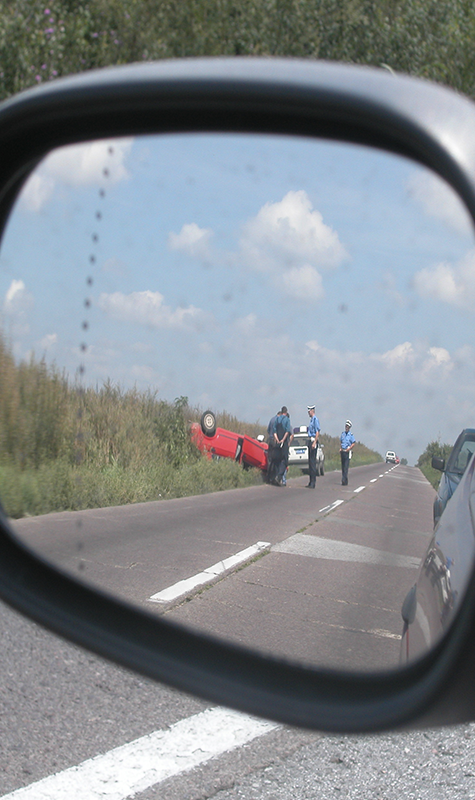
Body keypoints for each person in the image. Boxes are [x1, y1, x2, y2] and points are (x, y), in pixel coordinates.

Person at [272, 406, 292, 486]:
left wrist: (277, 439)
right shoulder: (287, 420)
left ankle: (276, 477)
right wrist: (283, 440)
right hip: (284, 443)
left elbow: (274, 431)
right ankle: (279, 476)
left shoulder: (277, 419)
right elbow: (287, 432)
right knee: (284, 460)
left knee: (278, 460)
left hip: (277, 442)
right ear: (286, 412)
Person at [306, 404, 321, 488]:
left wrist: (314, 442)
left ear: (312, 411)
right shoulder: (311, 420)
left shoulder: (315, 420)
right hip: (310, 440)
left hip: (313, 441)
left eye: (309, 411)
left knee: (312, 462)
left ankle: (313, 482)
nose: (308, 413)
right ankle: (310, 481)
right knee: (310, 462)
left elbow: (317, 431)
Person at [340, 419, 356, 485]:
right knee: (343, 466)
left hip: (347, 451)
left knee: (346, 466)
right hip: (343, 451)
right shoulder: (343, 434)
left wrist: (349, 448)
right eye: (346, 426)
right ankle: (345, 480)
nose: (346, 427)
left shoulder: (351, 435)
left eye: (347, 427)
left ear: (349, 428)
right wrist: (340, 448)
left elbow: (353, 443)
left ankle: (344, 479)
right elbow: (341, 441)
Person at [266, 410, 280, 483]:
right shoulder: (278, 421)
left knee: (270, 460)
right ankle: (273, 477)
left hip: (270, 441)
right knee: (275, 460)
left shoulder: (272, 419)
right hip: (275, 441)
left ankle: (268, 477)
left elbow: (268, 430)